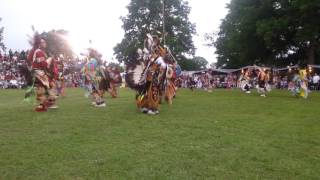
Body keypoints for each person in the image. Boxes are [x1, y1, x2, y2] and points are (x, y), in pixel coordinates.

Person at [26, 34, 58, 112]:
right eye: (43, 42)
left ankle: (46, 104)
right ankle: (44, 105)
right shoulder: (39, 52)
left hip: (40, 72)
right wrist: (50, 59)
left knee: (47, 87)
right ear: (40, 44)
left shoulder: (40, 52)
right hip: (38, 72)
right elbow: (43, 64)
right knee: (45, 88)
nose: (45, 43)